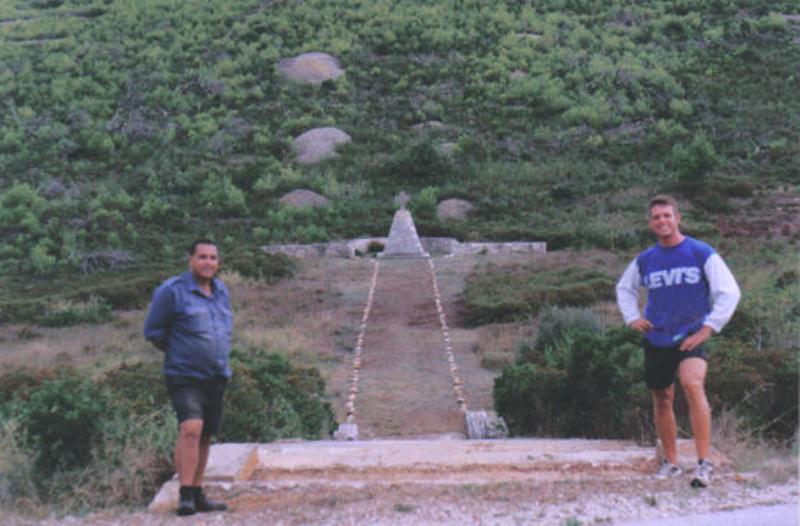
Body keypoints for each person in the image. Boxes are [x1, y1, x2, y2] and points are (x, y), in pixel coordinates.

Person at [616, 195, 740, 488]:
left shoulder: (700, 252)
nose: (663, 221)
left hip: (691, 335)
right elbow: (624, 289)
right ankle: (671, 464)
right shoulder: (645, 260)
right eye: (657, 217)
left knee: (692, 384)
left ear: (678, 218)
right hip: (657, 337)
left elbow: (729, 292)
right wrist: (632, 317)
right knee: (662, 398)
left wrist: (709, 328)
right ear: (651, 223)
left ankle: (704, 463)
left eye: (667, 216)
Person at [144, 239, 232, 515]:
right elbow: (154, 332)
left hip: (216, 374)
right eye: (203, 257)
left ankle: (197, 491)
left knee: (205, 434)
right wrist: (180, 353)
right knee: (190, 429)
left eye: (213, 258)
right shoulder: (172, 292)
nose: (209, 263)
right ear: (191, 260)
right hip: (184, 374)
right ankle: (184, 495)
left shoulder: (221, 291)